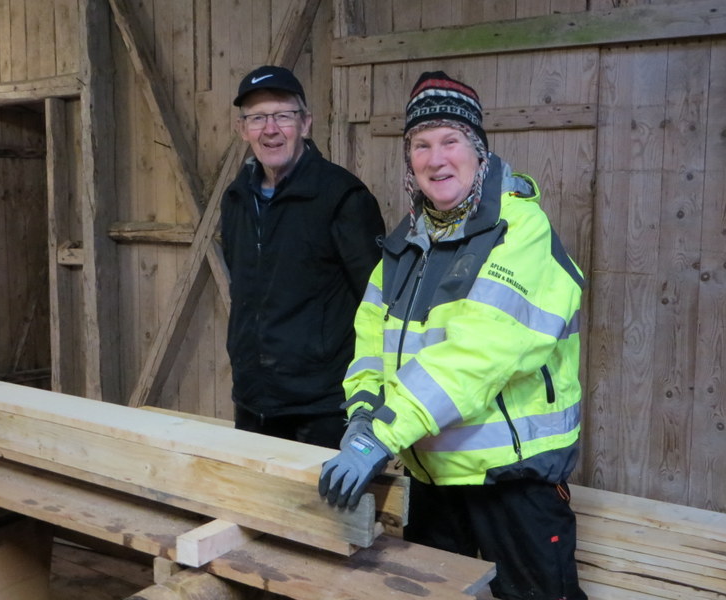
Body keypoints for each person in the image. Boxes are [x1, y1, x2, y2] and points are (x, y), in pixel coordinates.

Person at [318, 71, 587, 600]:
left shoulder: (519, 230)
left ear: (479, 151)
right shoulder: (405, 243)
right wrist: (363, 416)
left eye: (450, 141)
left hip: (512, 480)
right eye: (421, 144)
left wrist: (382, 436)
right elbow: (370, 344)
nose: (435, 158)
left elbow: (479, 353)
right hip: (432, 477)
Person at [220, 65, 385, 449]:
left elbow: (378, 302)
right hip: (253, 399)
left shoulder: (342, 197)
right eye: (257, 118)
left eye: (282, 115)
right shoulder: (236, 199)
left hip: (321, 406)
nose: (270, 129)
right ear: (242, 129)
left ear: (306, 123)